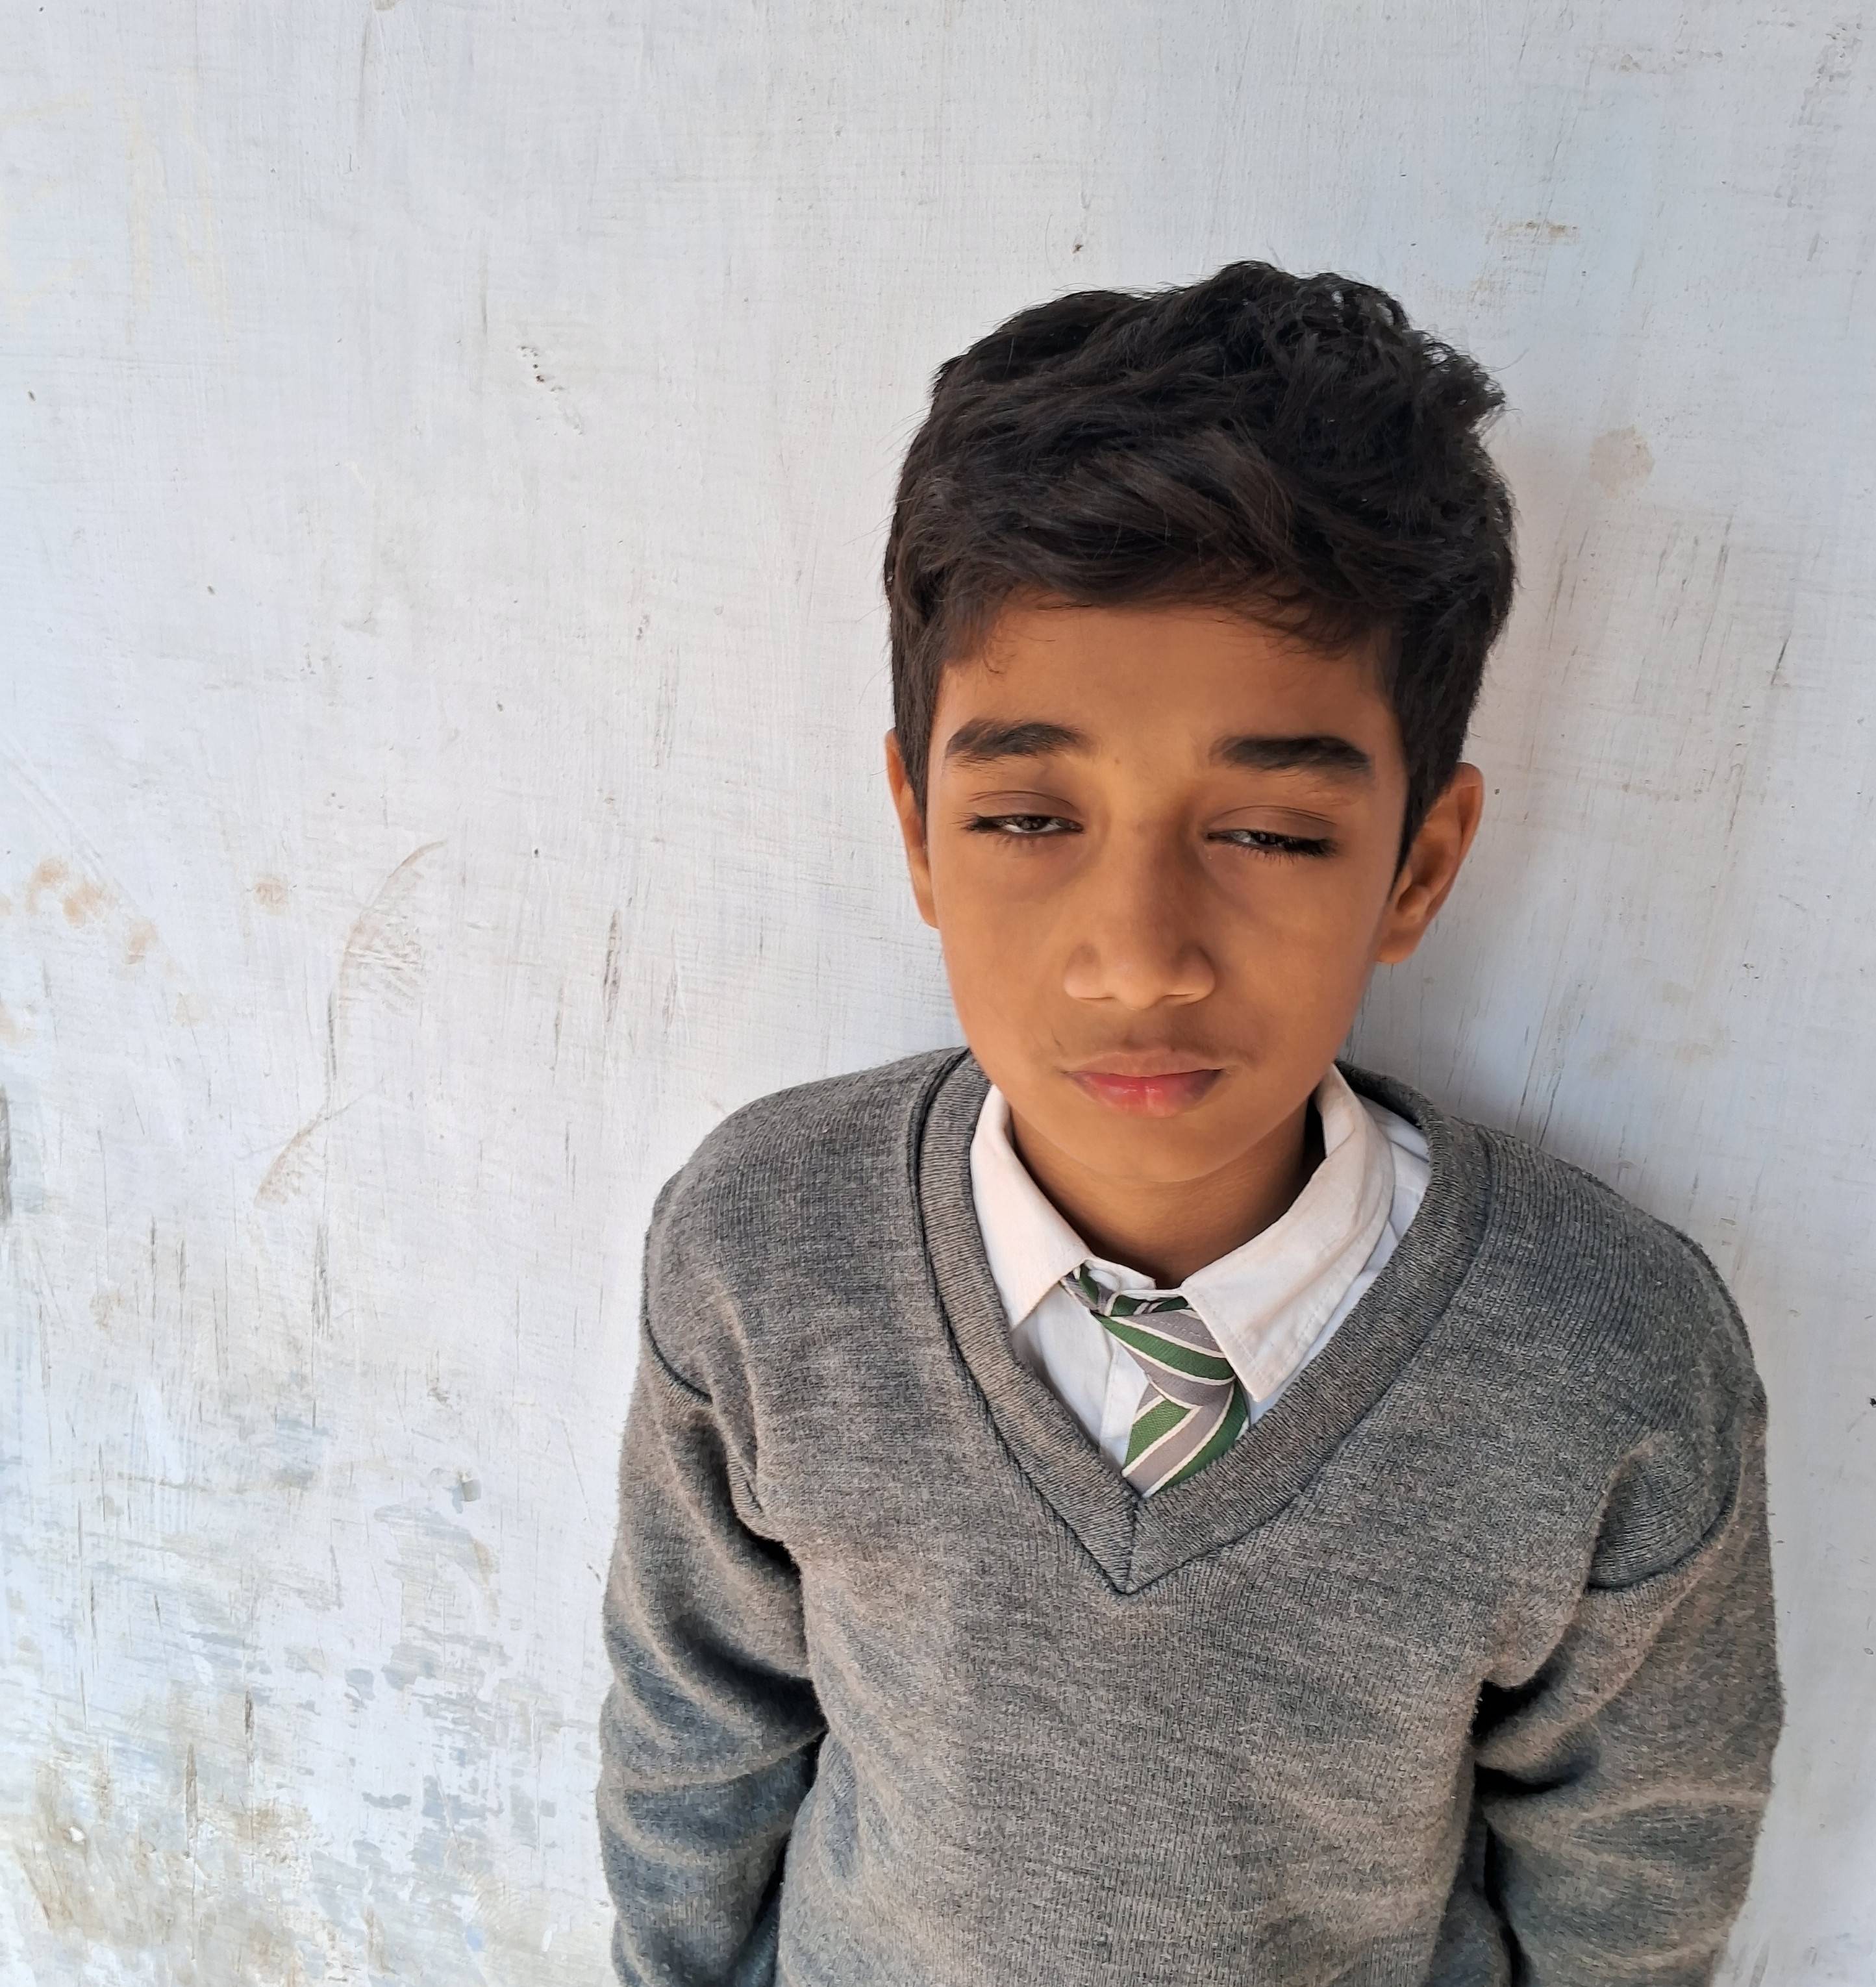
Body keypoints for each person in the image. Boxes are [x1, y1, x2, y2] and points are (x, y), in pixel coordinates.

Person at [594, 261, 1784, 1986]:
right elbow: (694, 1741)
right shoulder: (763, 1253)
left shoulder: (1608, 1366)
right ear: (917, 829)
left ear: (1418, 866)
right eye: (1027, 817)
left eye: (1272, 835)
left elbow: (1633, 1888)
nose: (1139, 956)